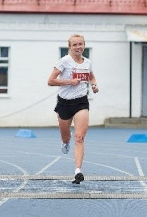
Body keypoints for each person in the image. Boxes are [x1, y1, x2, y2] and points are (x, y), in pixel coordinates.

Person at [47, 34, 99, 184]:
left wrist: (94, 85)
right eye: (75, 45)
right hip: (64, 103)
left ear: (84, 45)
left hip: (81, 102)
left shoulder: (87, 63)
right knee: (66, 137)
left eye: (80, 44)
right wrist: (70, 81)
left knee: (80, 137)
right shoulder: (64, 62)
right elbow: (50, 81)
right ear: (69, 47)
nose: (78, 47)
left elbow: (91, 77)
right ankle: (65, 142)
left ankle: (78, 171)